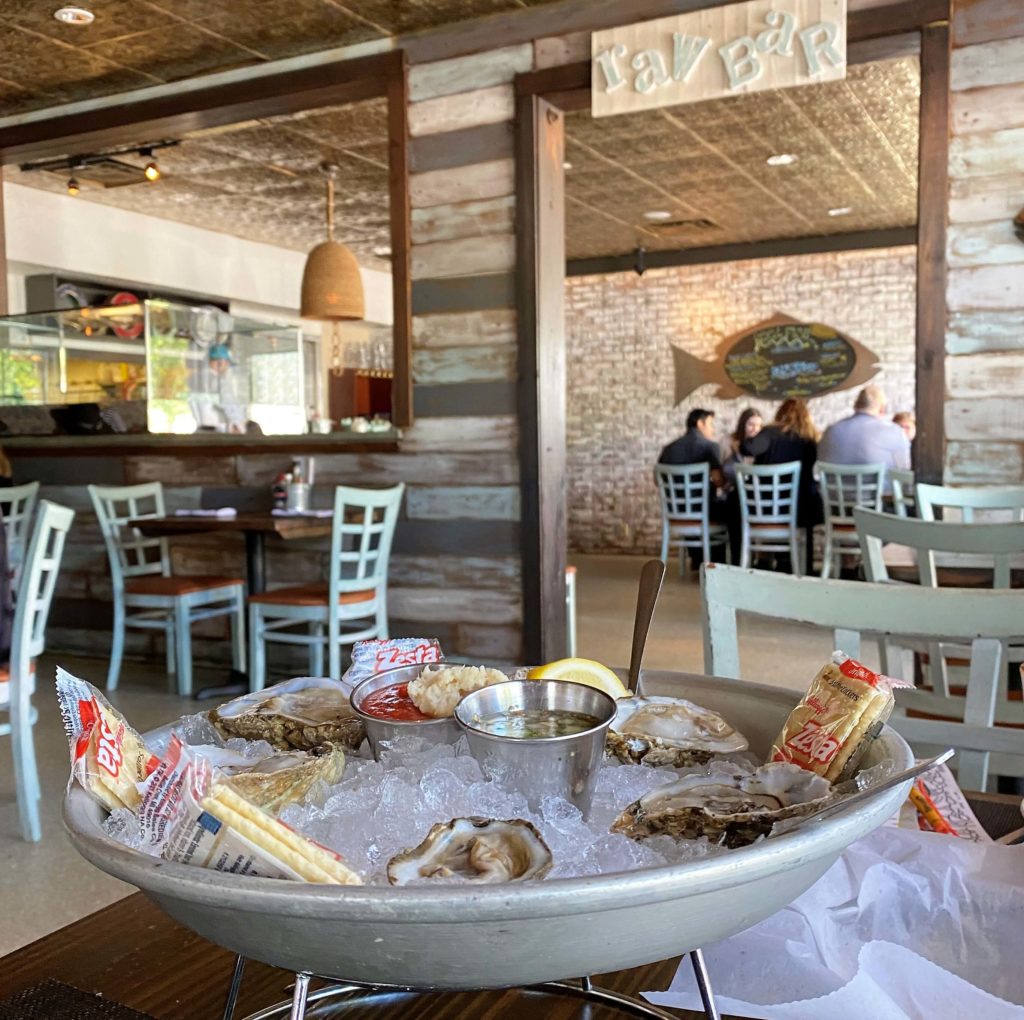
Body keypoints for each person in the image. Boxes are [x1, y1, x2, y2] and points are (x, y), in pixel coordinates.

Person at [742, 398, 823, 572]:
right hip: (800, 511)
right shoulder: (809, 439)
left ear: (780, 413)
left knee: (736, 501)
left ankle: (759, 561)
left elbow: (747, 449)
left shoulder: (769, 433)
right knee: (812, 498)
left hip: (765, 508)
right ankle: (804, 567)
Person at [658, 408, 739, 564]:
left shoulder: (669, 449)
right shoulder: (710, 446)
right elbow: (718, 480)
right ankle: (724, 562)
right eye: (710, 424)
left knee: (703, 506)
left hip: (675, 511)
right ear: (700, 423)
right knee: (732, 508)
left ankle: (698, 559)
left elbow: (658, 480)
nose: (712, 429)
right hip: (704, 511)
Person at [818, 385, 911, 487]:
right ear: (882, 409)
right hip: (881, 500)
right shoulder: (894, 431)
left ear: (856, 405)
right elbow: (904, 470)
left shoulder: (831, 430)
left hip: (833, 500)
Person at [721, 407, 762, 487]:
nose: (755, 429)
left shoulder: (761, 444)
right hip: (731, 487)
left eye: (759, 425)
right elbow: (721, 468)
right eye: (751, 425)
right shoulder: (727, 440)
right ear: (742, 425)